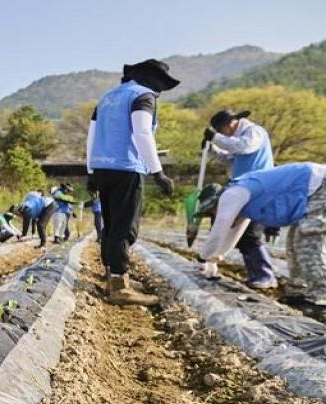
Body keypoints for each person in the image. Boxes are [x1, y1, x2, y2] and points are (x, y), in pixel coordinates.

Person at [86, 59, 178, 306]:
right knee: (125, 228)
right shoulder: (143, 96)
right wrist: (158, 172)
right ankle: (119, 286)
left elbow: (91, 134)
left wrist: (91, 171)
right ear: (151, 80)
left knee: (111, 224)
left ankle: (113, 274)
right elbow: (142, 133)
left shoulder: (107, 97)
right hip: (126, 168)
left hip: (102, 167)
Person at [195, 162, 326, 306]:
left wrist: (203, 257)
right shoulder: (243, 201)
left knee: (306, 242)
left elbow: (221, 226)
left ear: (214, 202)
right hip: (310, 191)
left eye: (210, 211)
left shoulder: (232, 194)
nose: (212, 214)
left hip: (319, 185)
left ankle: (321, 297)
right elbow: (234, 233)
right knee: (293, 244)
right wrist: (215, 258)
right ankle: (298, 293)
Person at [202, 109, 277, 288]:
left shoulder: (254, 132)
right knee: (235, 231)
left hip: (259, 188)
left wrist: (216, 139)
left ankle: (265, 275)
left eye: (221, 132)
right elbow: (229, 158)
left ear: (230, 125)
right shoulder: (237, 137)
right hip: (242, 187)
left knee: (251, 233)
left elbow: (243, 146)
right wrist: (211, 148)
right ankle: (253, 273)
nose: (222, 135)